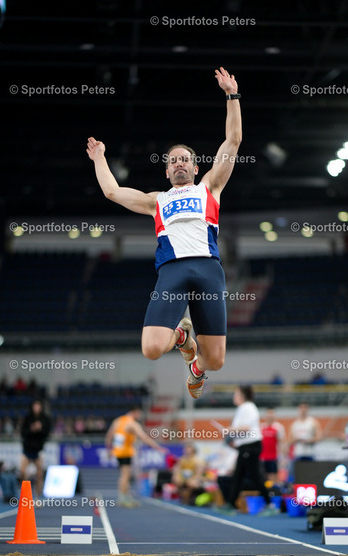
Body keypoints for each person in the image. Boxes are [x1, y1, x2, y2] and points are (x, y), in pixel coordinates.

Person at [87, 67, 242, 399]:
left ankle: (196, 368)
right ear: (167, 170)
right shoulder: (156, 201)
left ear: (196, 167)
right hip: (172, 271)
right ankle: (182, 337)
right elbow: (112, 191)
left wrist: (232, 95)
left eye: (185, 160)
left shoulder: (210, 188)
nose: (179, 164)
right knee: (152, 348)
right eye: (173, 161)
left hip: (208, 269)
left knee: (215, 361)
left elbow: (233, 141)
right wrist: (100, 158)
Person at [215, 386, 276, 515]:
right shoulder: (242, 408)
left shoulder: (248, 407)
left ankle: (270, 504)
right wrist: (231, 435)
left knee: (255, 476)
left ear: (242, 396)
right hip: (245, 446)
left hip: (250, 446)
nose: (234, 397)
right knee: (238, 476)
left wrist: (229, 430)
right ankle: (230, 504)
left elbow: (247, 427)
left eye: (236, 394)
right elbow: (242, 429)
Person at [105, 406, 167, 507]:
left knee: (125, 475)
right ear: (135, 412)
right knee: (125, 475)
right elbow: (144, 437)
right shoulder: (132, 424)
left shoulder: (118, 421)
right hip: (126, 452)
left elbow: (109, 436)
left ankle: (125, 495)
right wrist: (158, 447)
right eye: (139, 414)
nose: (140, 416)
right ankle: (123, 497)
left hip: (118, 451)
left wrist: (109, 450)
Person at [20, 399, 51, 496]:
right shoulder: (28, 418)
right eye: (35, 406)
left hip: (38, 451)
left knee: (39, 474)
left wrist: (40, 429)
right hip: (27, 450)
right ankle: (25, 495)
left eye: (38, 406)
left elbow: (47, 434)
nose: (36, 408)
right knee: (22, 472)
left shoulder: (45, 419)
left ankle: (37, 496)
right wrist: (31, 429)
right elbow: (23, 432)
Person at [259, 408, 286, 484]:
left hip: (274, 457)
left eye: (272, 414)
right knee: (263, 477)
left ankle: (273, 489)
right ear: (265, 416)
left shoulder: (278, 427)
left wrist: (283, 457)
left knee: (272, 477)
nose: (270, 416)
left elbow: (282, 442)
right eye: (268, 414)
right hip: (262, 457)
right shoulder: (261, 427)